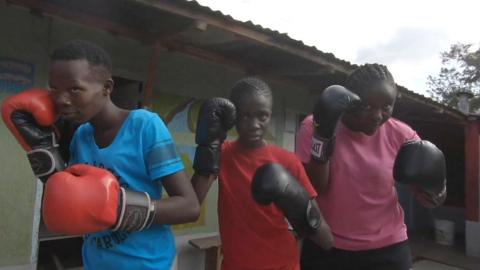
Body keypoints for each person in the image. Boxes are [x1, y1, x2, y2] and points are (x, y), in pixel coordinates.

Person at [2, 40, 200, 270]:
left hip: (147, 264)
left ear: (107, 88)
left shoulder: (144, 126)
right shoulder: (81, 135)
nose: (61, 100)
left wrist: (118, 207)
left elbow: (189, 207)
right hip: (96, 262)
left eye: (74, 89)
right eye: (55, 88)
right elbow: (73, 200)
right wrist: (45, 153)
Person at [296, 63, 447, 270]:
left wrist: (435, 190)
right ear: (350, 100)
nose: (377, 115)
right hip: (328, 244)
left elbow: (430, 197)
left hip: (388, 247)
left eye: (386, 107)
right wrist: (322, 137)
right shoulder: (315, 126)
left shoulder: (403, 136)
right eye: (367, 106)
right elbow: (316, 188)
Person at [192, 77, 332, 270]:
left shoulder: (287, 161)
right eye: (245, 116)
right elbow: (192, 205)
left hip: (282, 265)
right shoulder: (222, 154)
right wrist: (208, 147)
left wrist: (298, 206)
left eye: (262, 116)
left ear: (270, 115)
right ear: (233, 116)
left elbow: (325, 238)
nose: (254, 124)